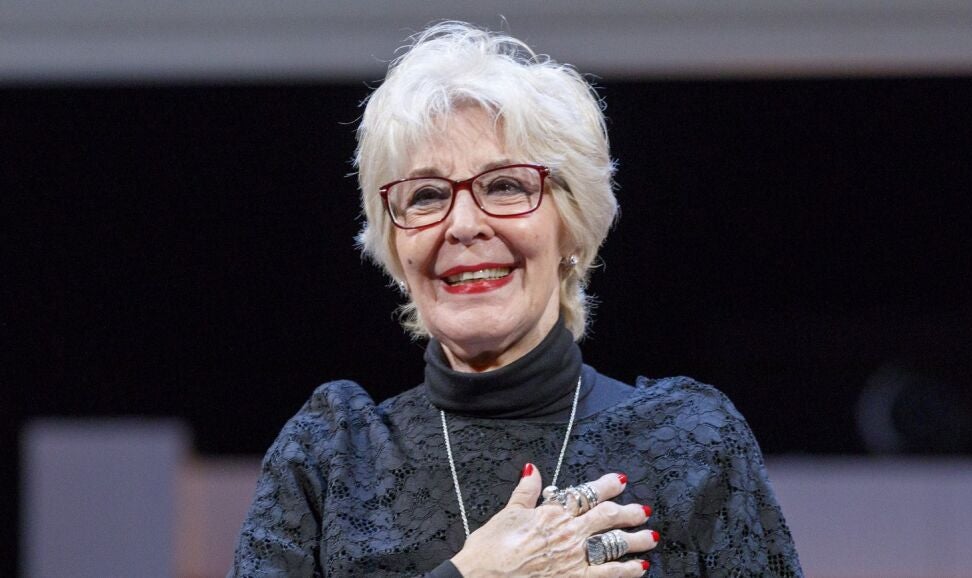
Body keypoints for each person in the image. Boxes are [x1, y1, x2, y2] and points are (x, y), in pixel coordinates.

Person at [229, 21, 803, 577]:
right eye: (426, 196)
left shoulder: (690, 442)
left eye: (505, 185)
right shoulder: (330, 459)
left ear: (571, 226)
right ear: (396, 247)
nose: (462, 225)